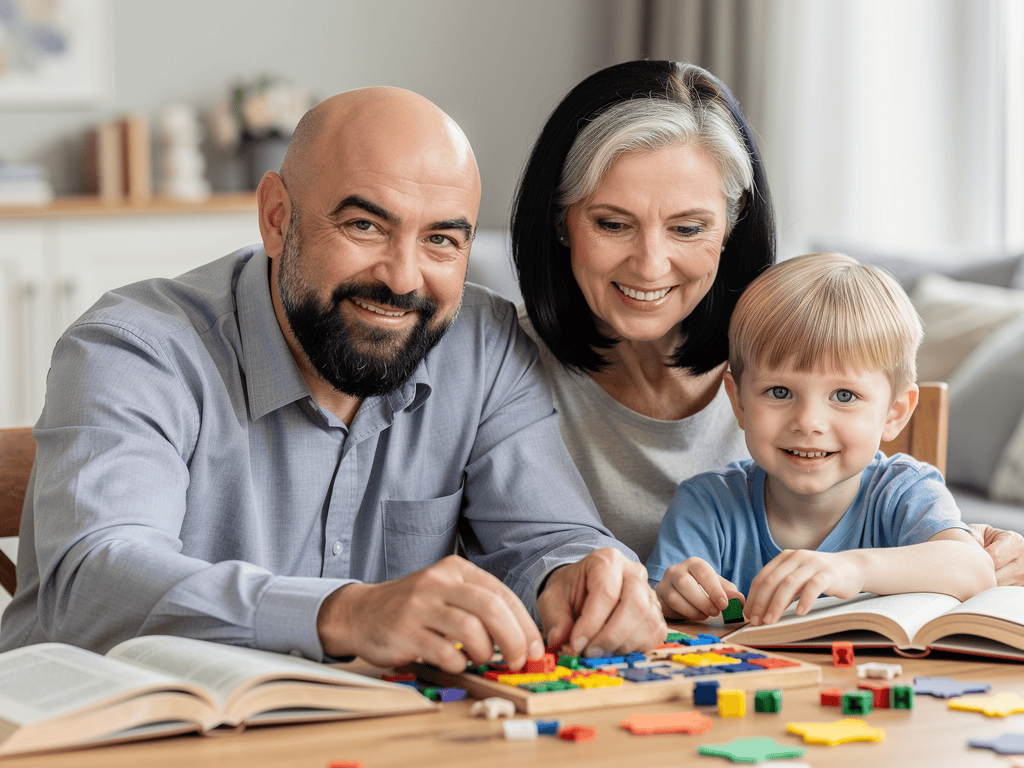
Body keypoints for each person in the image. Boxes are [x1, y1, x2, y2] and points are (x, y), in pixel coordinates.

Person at [0, 87, 666, 671]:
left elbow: (547, 539)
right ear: (277, 218)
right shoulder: (136, 348)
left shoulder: (483, 346)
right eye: (364, 225)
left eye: (442, 240)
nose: (403, 278)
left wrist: (583, 579)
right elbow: (90, 581)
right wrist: (347, 614)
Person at [512, 59, 1024, 587]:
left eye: (688, 227)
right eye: (613, 224)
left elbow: (939, 550)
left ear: (732, 227)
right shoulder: (501, 368)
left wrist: (965, 549)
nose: (650, 264)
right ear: (560, 221)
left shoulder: (776, 335)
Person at [646, 253, 996, 625]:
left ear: (895, 412)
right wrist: (670, 597)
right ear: (739, 402)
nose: (808, 422)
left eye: (844, 396)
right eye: (779, 392)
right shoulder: (707, 504)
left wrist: (852, 569)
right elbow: (656, 611)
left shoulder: (903, 490)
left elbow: (974, 570)